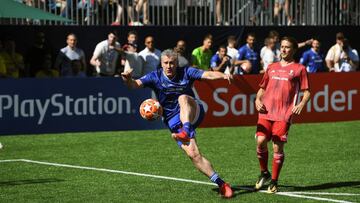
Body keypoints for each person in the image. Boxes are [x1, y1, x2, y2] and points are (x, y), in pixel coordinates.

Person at [121, 49, 233, 198]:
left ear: (177, 63)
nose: (169, 66)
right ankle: (222, 184)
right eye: (166, 63)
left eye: (172, 63)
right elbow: (134, 85)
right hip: (173, 120)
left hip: (194, 110)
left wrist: (223, 75)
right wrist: (127, 79)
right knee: (194, 155)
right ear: (161, 64)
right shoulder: (155, 76)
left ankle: (186, 129)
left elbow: (208, 74)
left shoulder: (186, 72)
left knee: (183, 98)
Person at [254, 36, 311, 193]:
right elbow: (262, 88)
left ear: (293, 50)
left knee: (277, 147)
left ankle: (274, 181)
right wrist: (257, 99)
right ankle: (264, 172)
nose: (284, 49)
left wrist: (301, 104)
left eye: (287, 47)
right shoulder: (271, 67)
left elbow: (307, 92)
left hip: (283, 113)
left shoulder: (300, 69)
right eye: (282, 46)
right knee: (260, 141)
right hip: (265, 111)